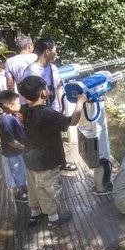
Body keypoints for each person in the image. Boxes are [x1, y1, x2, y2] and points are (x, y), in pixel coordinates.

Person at [18, 75, 87, 228]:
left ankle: (35, 214)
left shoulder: (24, 109)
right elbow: (73, 121)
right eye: (47, 88)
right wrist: (80, 102)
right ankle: (53, 218)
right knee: (49, 189)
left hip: (30, 159)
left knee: (34, 188)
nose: (49, 90)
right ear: (43, 93)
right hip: (46, 160)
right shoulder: (47, 113)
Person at [22, 38, 76, 172]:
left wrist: (61, 107)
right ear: (47, 51)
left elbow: (58, 87)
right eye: (55, 50)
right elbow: (27, 94)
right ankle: (43, 165)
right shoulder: (30, 71)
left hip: (52, 108)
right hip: (38, 112)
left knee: (56, 137)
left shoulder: (53, 68)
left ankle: (60, 162)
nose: (56, 53)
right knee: (42, 140)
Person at [0, 90, 28, 203]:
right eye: (18, 103)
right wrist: (24, 147)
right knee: (17, 174)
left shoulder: (12, 116)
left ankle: (25, 191)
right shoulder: (5, 121)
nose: (20, 105)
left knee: (21, 173)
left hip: (17, 152)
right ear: (10, 106)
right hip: (12, 153)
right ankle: (20, 194)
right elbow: (10, 141)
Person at [4, 34, 36, 103]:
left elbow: (10, 86)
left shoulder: (10, 61)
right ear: (29, 46)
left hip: (23, 102)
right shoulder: (37, 58)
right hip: (42, 99)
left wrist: (12, 103)